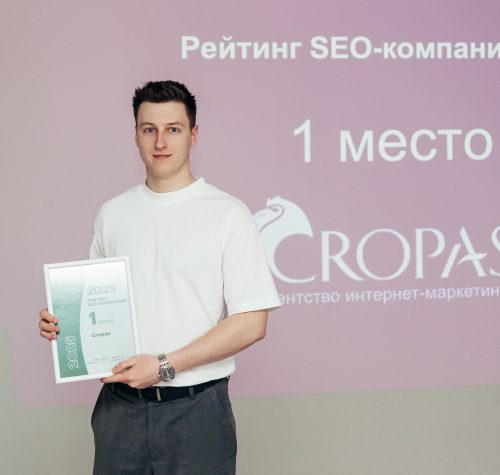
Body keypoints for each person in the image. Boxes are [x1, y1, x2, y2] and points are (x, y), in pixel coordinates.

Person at [38, 80, 281, 474]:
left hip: (197, 412)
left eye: (173, 129)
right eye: (149, 129)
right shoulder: (113, 214)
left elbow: (252, 322)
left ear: (193, 135)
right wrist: (63, 324)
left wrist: (164, 365)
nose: (161, 142)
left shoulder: (227, 214)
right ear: (135, 135)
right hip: (119, 412)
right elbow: (96, 308)